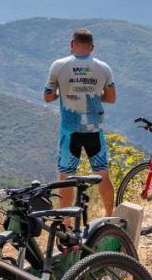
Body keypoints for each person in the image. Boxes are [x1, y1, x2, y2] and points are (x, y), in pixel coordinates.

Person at [44, 28, 117, 216]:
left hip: (70, 131)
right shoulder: (104, 68)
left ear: (71, 44)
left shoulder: (58, 66)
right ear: (92, 47)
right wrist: (91, 92)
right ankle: (110, 217)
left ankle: (66, 226)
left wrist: (66, 92)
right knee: (103, 175)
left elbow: (48, 97)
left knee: (66, 178)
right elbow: (111, 98)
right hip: (95, 130)